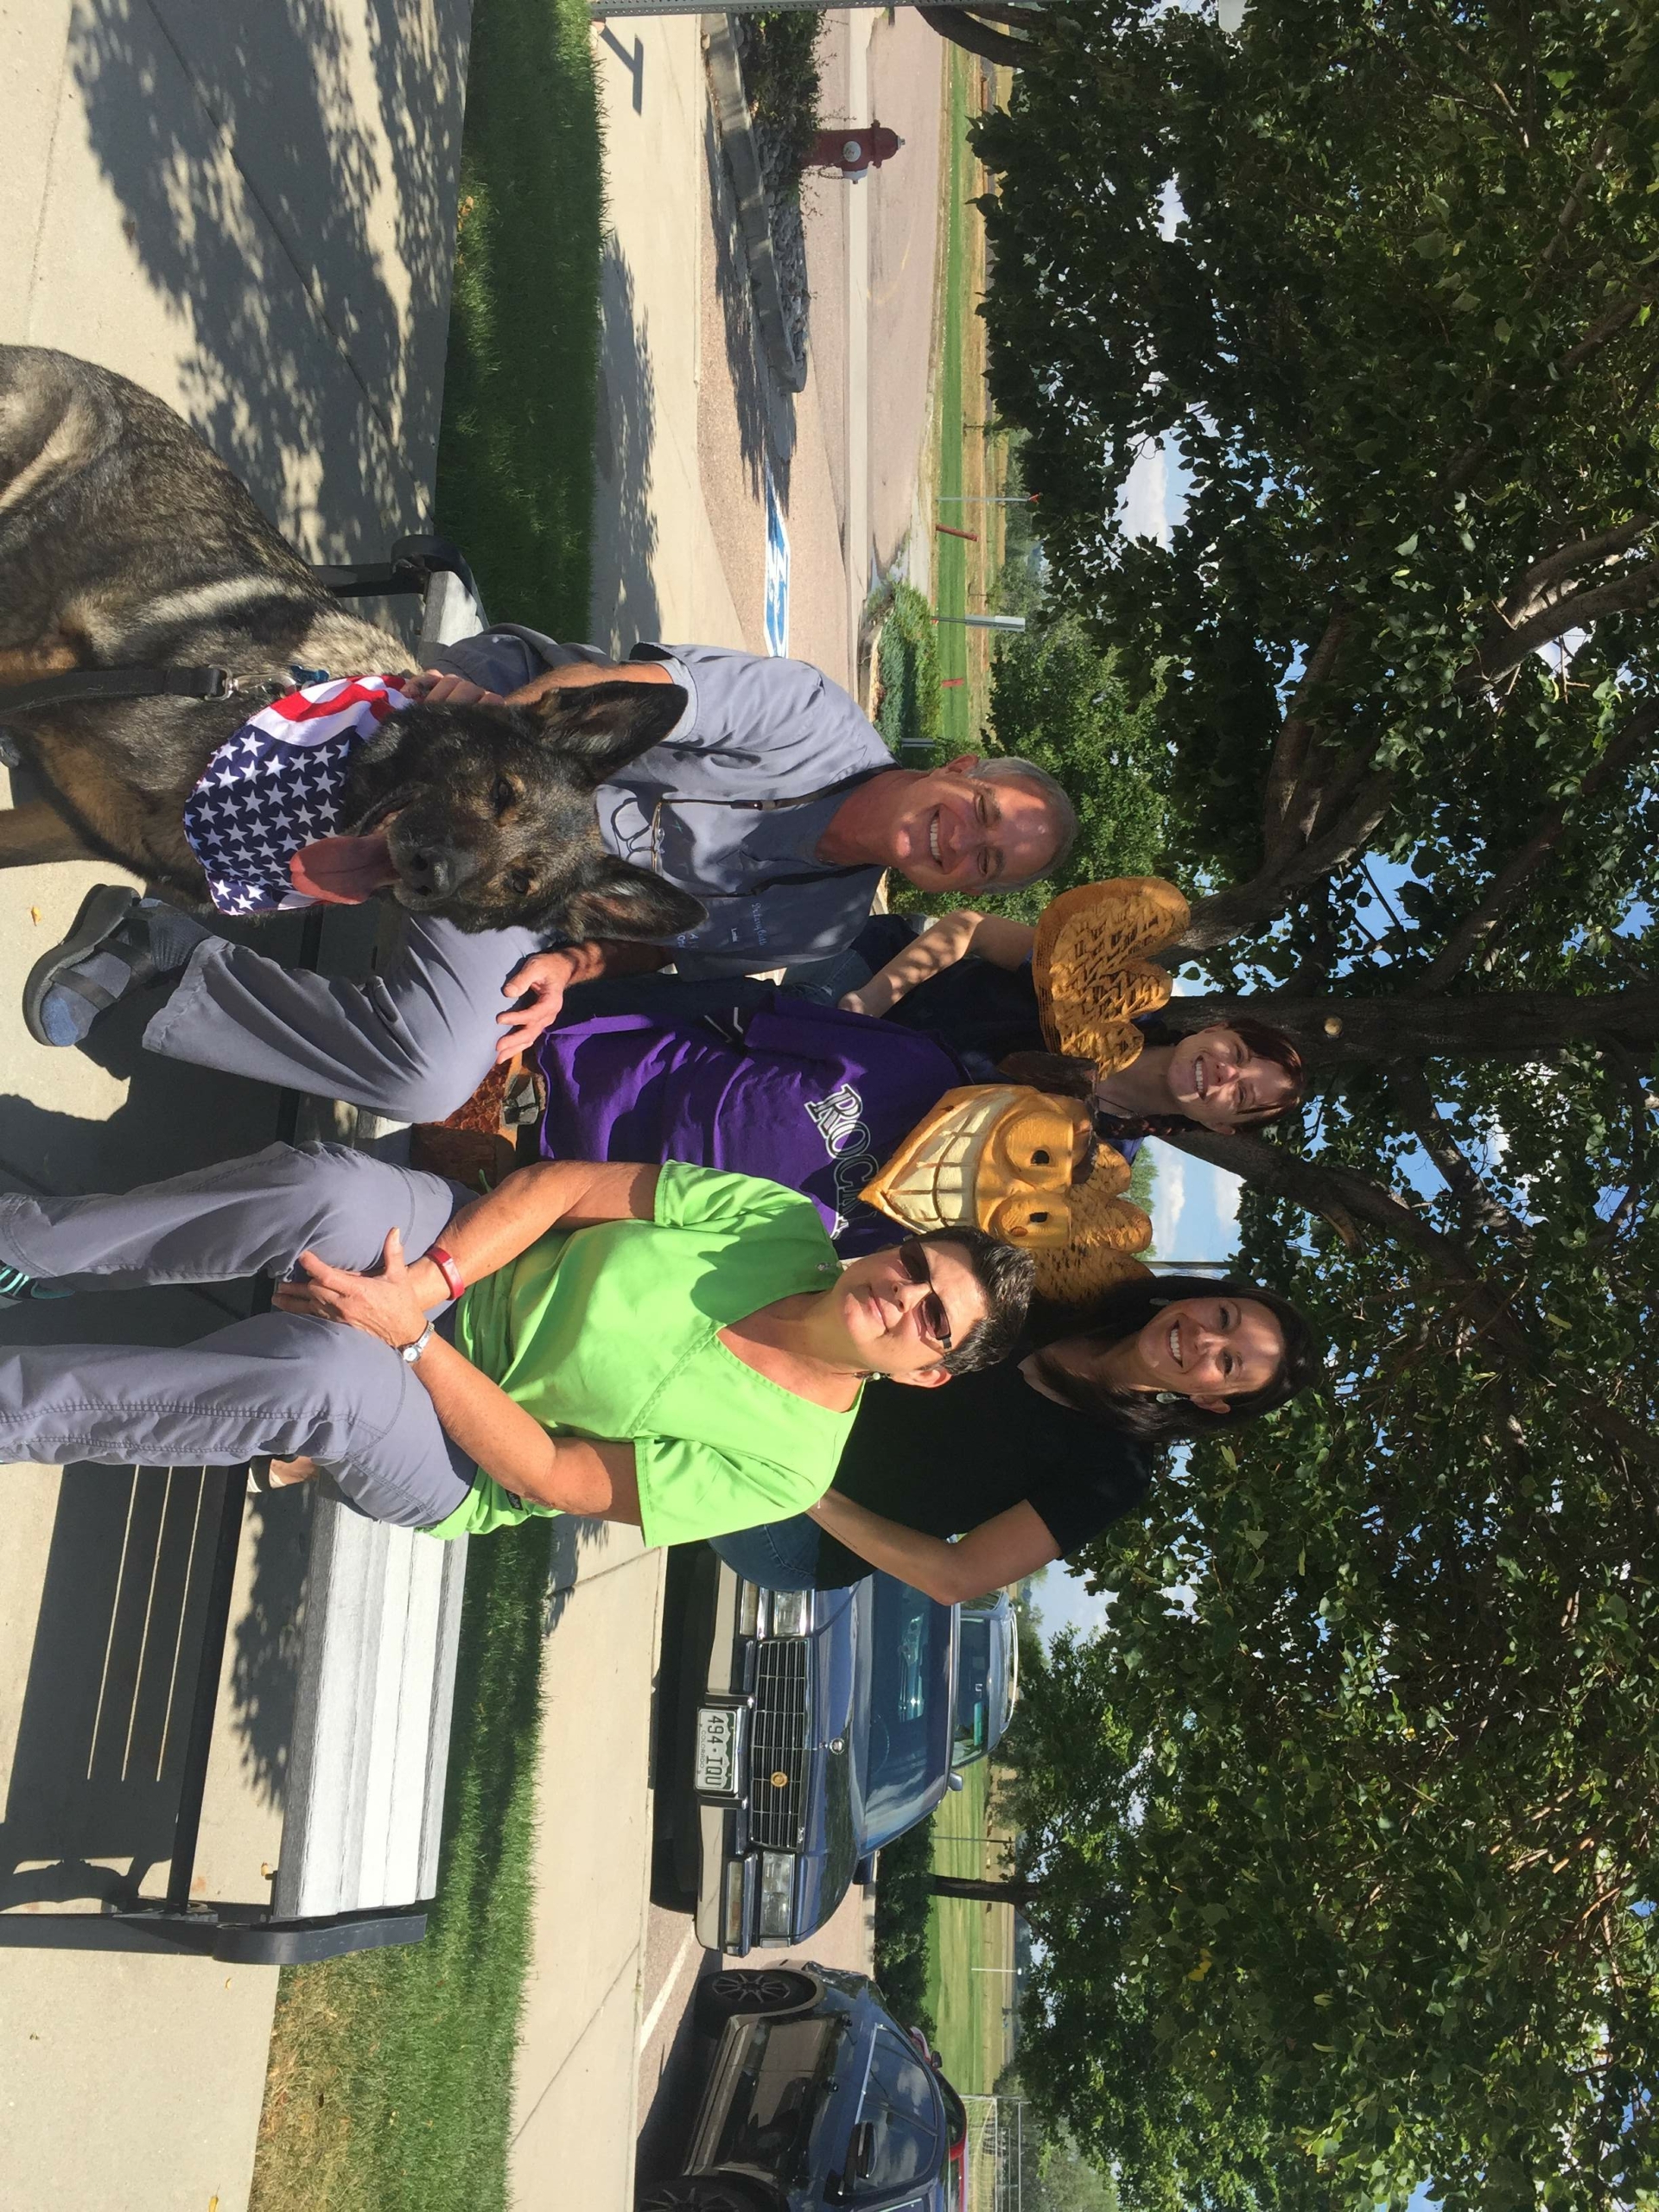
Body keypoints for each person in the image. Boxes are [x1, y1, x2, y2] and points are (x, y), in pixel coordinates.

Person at [24, 632, 1079, 1123]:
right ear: (960, 770)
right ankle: (109, 753)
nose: (961, 839)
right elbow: (616, 692)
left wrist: (570, 966)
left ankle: (165, 950)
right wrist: (498, 719)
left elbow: (652, 940)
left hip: (524, 885)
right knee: (329, 787)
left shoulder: (821, 926)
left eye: (987, 860)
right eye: (984, 814)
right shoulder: (812, 719)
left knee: (431, 1083)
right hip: (509, 727)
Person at [0, 1146, 1033, 1543]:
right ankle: (31, 1244)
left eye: (934, 1318)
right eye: (916, 1267)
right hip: (466, 1266)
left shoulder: (791, 1464)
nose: (904, 1297)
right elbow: (571, 1188)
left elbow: (554, 1473)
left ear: (930, 1372)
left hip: (467, 1449)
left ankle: (15, 1408)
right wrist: (434, 1282)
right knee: (333, 1192)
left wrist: (412, 1340)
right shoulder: (783, 1227)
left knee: (330, 1380)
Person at [707, 1272, 1322, 1601]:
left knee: (685, 1403)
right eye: (1224, 1318)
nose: (1206, 1340)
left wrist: (805, 1488)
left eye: (1228, 1363)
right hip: (796, 1405)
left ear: (1213, 1401)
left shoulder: (1115, 1472)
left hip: (800, 1526)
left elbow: (956, 1576)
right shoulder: (1061, 1300)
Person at [830, 907, 1305, 1155]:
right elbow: (970, 929)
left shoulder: (1098, 1156)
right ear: (1216, 1028)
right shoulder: (1110, 996)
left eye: (1241, 1097)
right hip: (868, 983)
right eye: (1238, 1053)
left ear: (1220, 1126)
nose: (1226, 1073)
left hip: (849, 1100)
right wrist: (865, 1005)